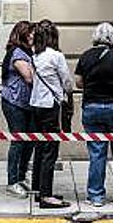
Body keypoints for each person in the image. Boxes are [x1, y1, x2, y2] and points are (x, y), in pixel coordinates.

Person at [75, 22, 113, 207]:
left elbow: (78, 83)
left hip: (92, 107)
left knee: (97, 152)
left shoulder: (86, 56)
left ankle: (96, 196)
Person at [28, 19, 72, 209]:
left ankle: (38, 190)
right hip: (50, 107)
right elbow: (68, 82)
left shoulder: (35, 56)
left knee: (39, 148)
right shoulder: (56, 56)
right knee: (50, 151)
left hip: (35, 104)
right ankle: (46, 196)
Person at [0, 20, 35, 198]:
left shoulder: (26, 52)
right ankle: (12, 181)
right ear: (22, 35)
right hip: (14, 103)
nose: (33, 36)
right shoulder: (18, 53)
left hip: (24, 103)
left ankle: (21, 177)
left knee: (28, 141)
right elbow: (29, 77)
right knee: (18, 141)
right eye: (30, 33)